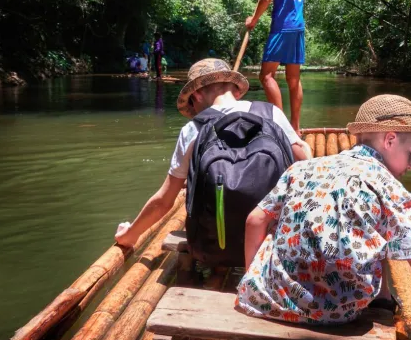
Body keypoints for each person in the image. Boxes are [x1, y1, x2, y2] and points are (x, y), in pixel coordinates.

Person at [237, 95, 411, 340]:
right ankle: (382, 297)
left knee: (277, 225)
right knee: (379, 234)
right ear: (390, 140)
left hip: (267, 301)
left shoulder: (302, 168)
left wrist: (254, 278)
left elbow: (254, 220)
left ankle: (265, 283)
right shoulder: (395, 193)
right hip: (337, 313)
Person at [115, 58, 312, 250]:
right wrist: (304, 147)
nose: (194, 109)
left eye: (192, 102)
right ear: (235, 90)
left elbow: (164, 201)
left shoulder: (193, 129)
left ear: (198, 94)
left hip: (213, 247)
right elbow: (305, 163)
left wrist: (129, 234)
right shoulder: (270, 113)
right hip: (274, 242)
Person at [245, 0, 307, 133]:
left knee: (266, 76)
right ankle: (296, 127)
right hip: (298, 26)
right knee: (293, 78)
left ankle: (282, 127)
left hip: (281, 26)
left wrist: (253, 20)